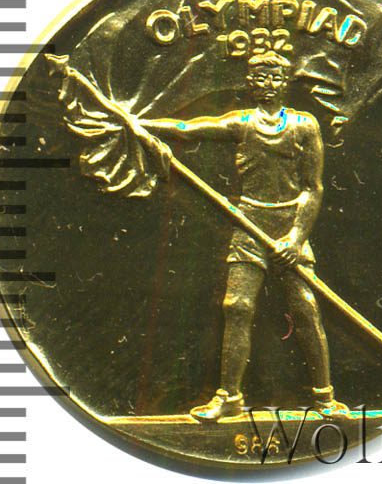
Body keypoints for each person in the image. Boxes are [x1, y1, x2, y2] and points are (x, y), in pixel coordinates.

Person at [128, 51, 347, 421]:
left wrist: (296, 238)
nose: (268, 84)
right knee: (237, 306)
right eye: (261, 77)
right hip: (248, 222)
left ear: (285, 82)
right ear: (251, 83)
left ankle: (325, 398)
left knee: (306, 308)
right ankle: (229, 396)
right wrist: (140, 124)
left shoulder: (304, 125)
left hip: (289, 225)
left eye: (275, 77)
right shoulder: (241, 123)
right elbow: (188, 129)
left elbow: (313, 188)